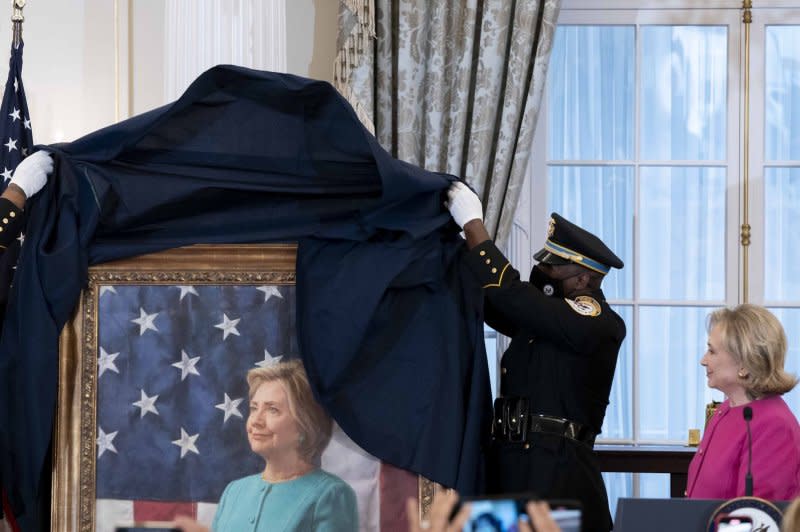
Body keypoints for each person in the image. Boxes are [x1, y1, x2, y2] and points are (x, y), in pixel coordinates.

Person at [445, 182, 626, 532]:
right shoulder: (546, 321)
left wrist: (474, 225)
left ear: (583, 278)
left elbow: (513, 295)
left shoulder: (597, 322)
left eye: (555, 268)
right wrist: (453, 240)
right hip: (512, 464)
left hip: (556, 473)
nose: (545, 273)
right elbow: (494, 300)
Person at [174, 359, 358, 532]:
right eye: (254, 408)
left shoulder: (331, 494)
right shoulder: (234, 492)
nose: (256, 421)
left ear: (304, 424)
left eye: (272, 409)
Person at [686, 304, 800, 499]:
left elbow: (757, 517)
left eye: (712, 352)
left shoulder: (774, 425)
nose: (703, 360)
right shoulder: (727, 408)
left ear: (745, 364)